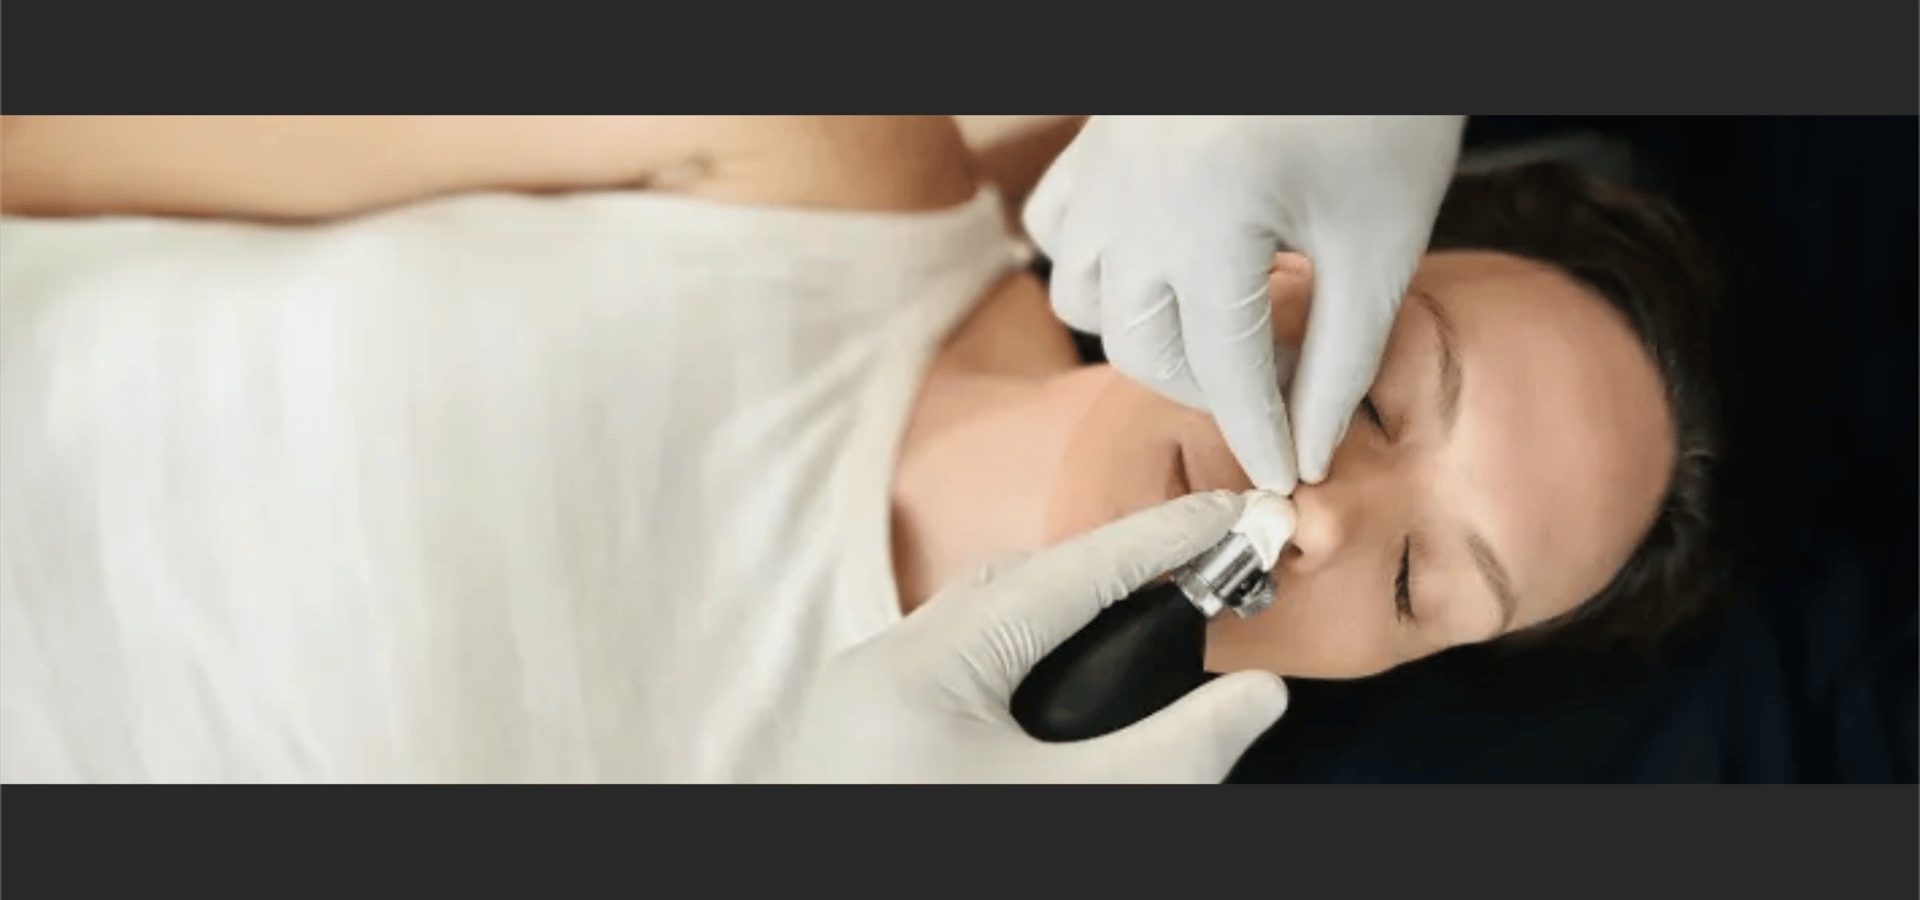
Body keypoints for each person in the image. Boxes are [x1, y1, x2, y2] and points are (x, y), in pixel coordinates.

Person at [0, 116, 1716, 782]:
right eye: (1390, 380)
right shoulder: (817, 154)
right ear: (1287, 236)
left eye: (1424, 583)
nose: (1321, 513)